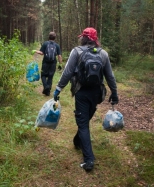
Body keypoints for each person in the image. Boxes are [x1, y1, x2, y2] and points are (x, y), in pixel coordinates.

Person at [53, 27, 119, 172]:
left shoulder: (76, 51)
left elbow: (68, 72)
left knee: (83, 124)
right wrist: (114, 92)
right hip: (96, 93)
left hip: (81, 92)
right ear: (95, 39)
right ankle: (78, 141)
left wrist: (58, 89)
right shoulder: (103, 54)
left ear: (83, 38)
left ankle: (88, 160)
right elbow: (110, 76)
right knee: (84, 120)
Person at [32, 32, 62, 96]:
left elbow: (41, 53)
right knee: (50, 77)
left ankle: (46, 87)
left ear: (49, 37)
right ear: (55, 38)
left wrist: (35, 51)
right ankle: (47, 91)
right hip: (53, 63)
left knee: (43, 76)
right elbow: (59, 56)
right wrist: (60, 64)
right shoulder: (57, 45)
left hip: (45, 62)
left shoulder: (45, 44)